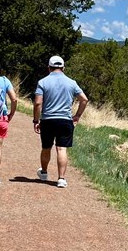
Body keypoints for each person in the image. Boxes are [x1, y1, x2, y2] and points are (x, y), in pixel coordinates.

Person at [33, 55, 88, 188]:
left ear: (49, 68)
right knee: (61, 148)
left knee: (46, 147)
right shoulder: (72, 82)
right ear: (63, 68)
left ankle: (44, 173)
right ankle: (61, 178)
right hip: (65, 120)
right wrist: (77, 116)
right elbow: (84, 99)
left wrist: (36, 120)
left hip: (48, 119)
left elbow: (38, 103)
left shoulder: (43, 82)